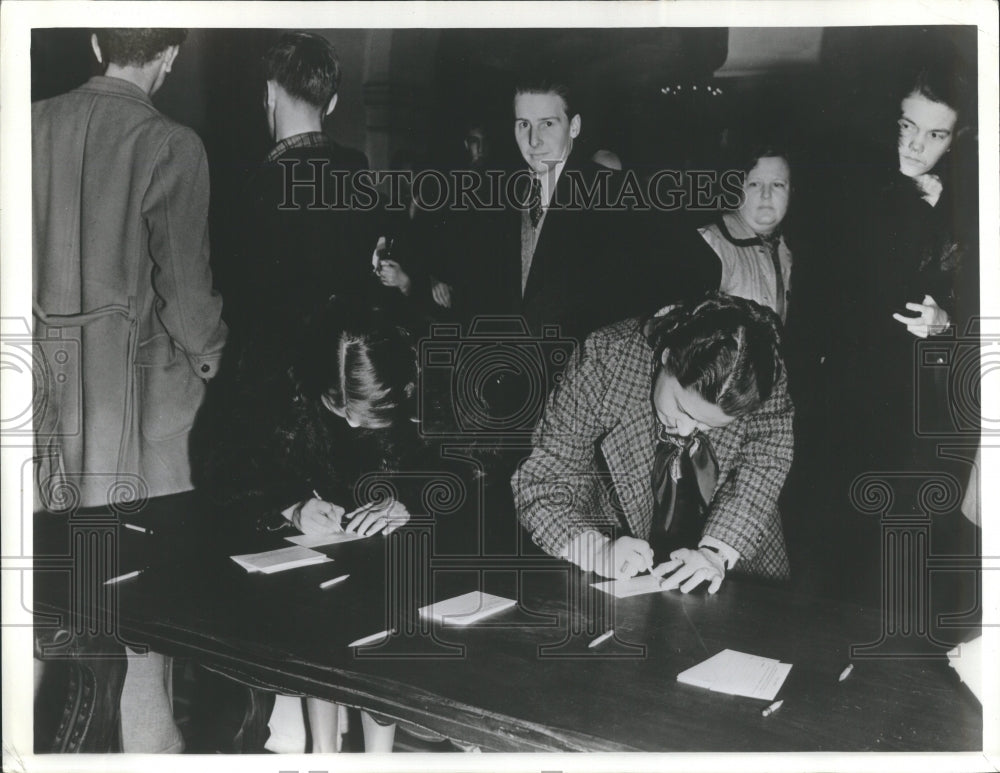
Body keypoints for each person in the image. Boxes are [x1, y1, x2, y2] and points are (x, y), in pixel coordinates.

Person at [32, 28, 228, 752]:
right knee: (145, 631)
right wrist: (214, 364)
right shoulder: (170, 143)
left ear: (94, 41)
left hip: (42, 411)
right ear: (170, 57)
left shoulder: (27, 125)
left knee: (58, 619)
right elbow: (185, 293)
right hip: (140, 418)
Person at [513, 294, 793, 593]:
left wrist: (718, 551)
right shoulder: (604, 361)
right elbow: (542, 480)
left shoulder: (757, 373)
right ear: (667, 356)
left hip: (735, 531)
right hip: (614, 545)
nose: (685, 432)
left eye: (708, 425)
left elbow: (768, 458)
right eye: (682, 410)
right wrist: (594, 550)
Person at [232, 31, 371, 342]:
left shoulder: (257, 186)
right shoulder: (356, 169)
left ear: (269, 93)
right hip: (344, 369)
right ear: (332, 103)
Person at [698, 147, 793, 323]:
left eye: (778, 184)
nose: (766, 195)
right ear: (739, 188)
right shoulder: (710, 244)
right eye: (755, 183)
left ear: (791, 191)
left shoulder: (788, 250)